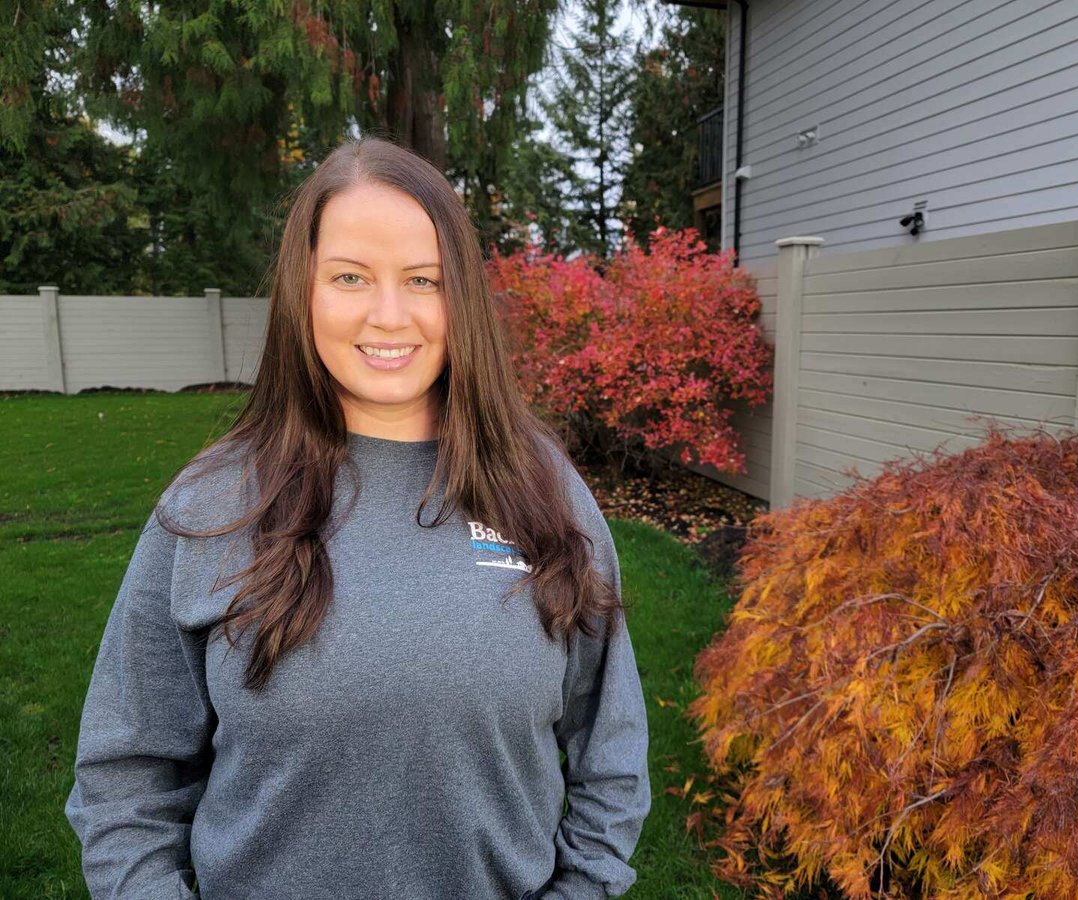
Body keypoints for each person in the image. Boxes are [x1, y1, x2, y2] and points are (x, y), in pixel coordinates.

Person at [64, 136, 652, 899]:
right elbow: (124, 780)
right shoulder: (211, 506)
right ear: (302, 289)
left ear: (461, 299)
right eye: (349, 276)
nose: (388, 315)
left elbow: (610, 749)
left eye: (423, 280)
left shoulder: (545, 492)